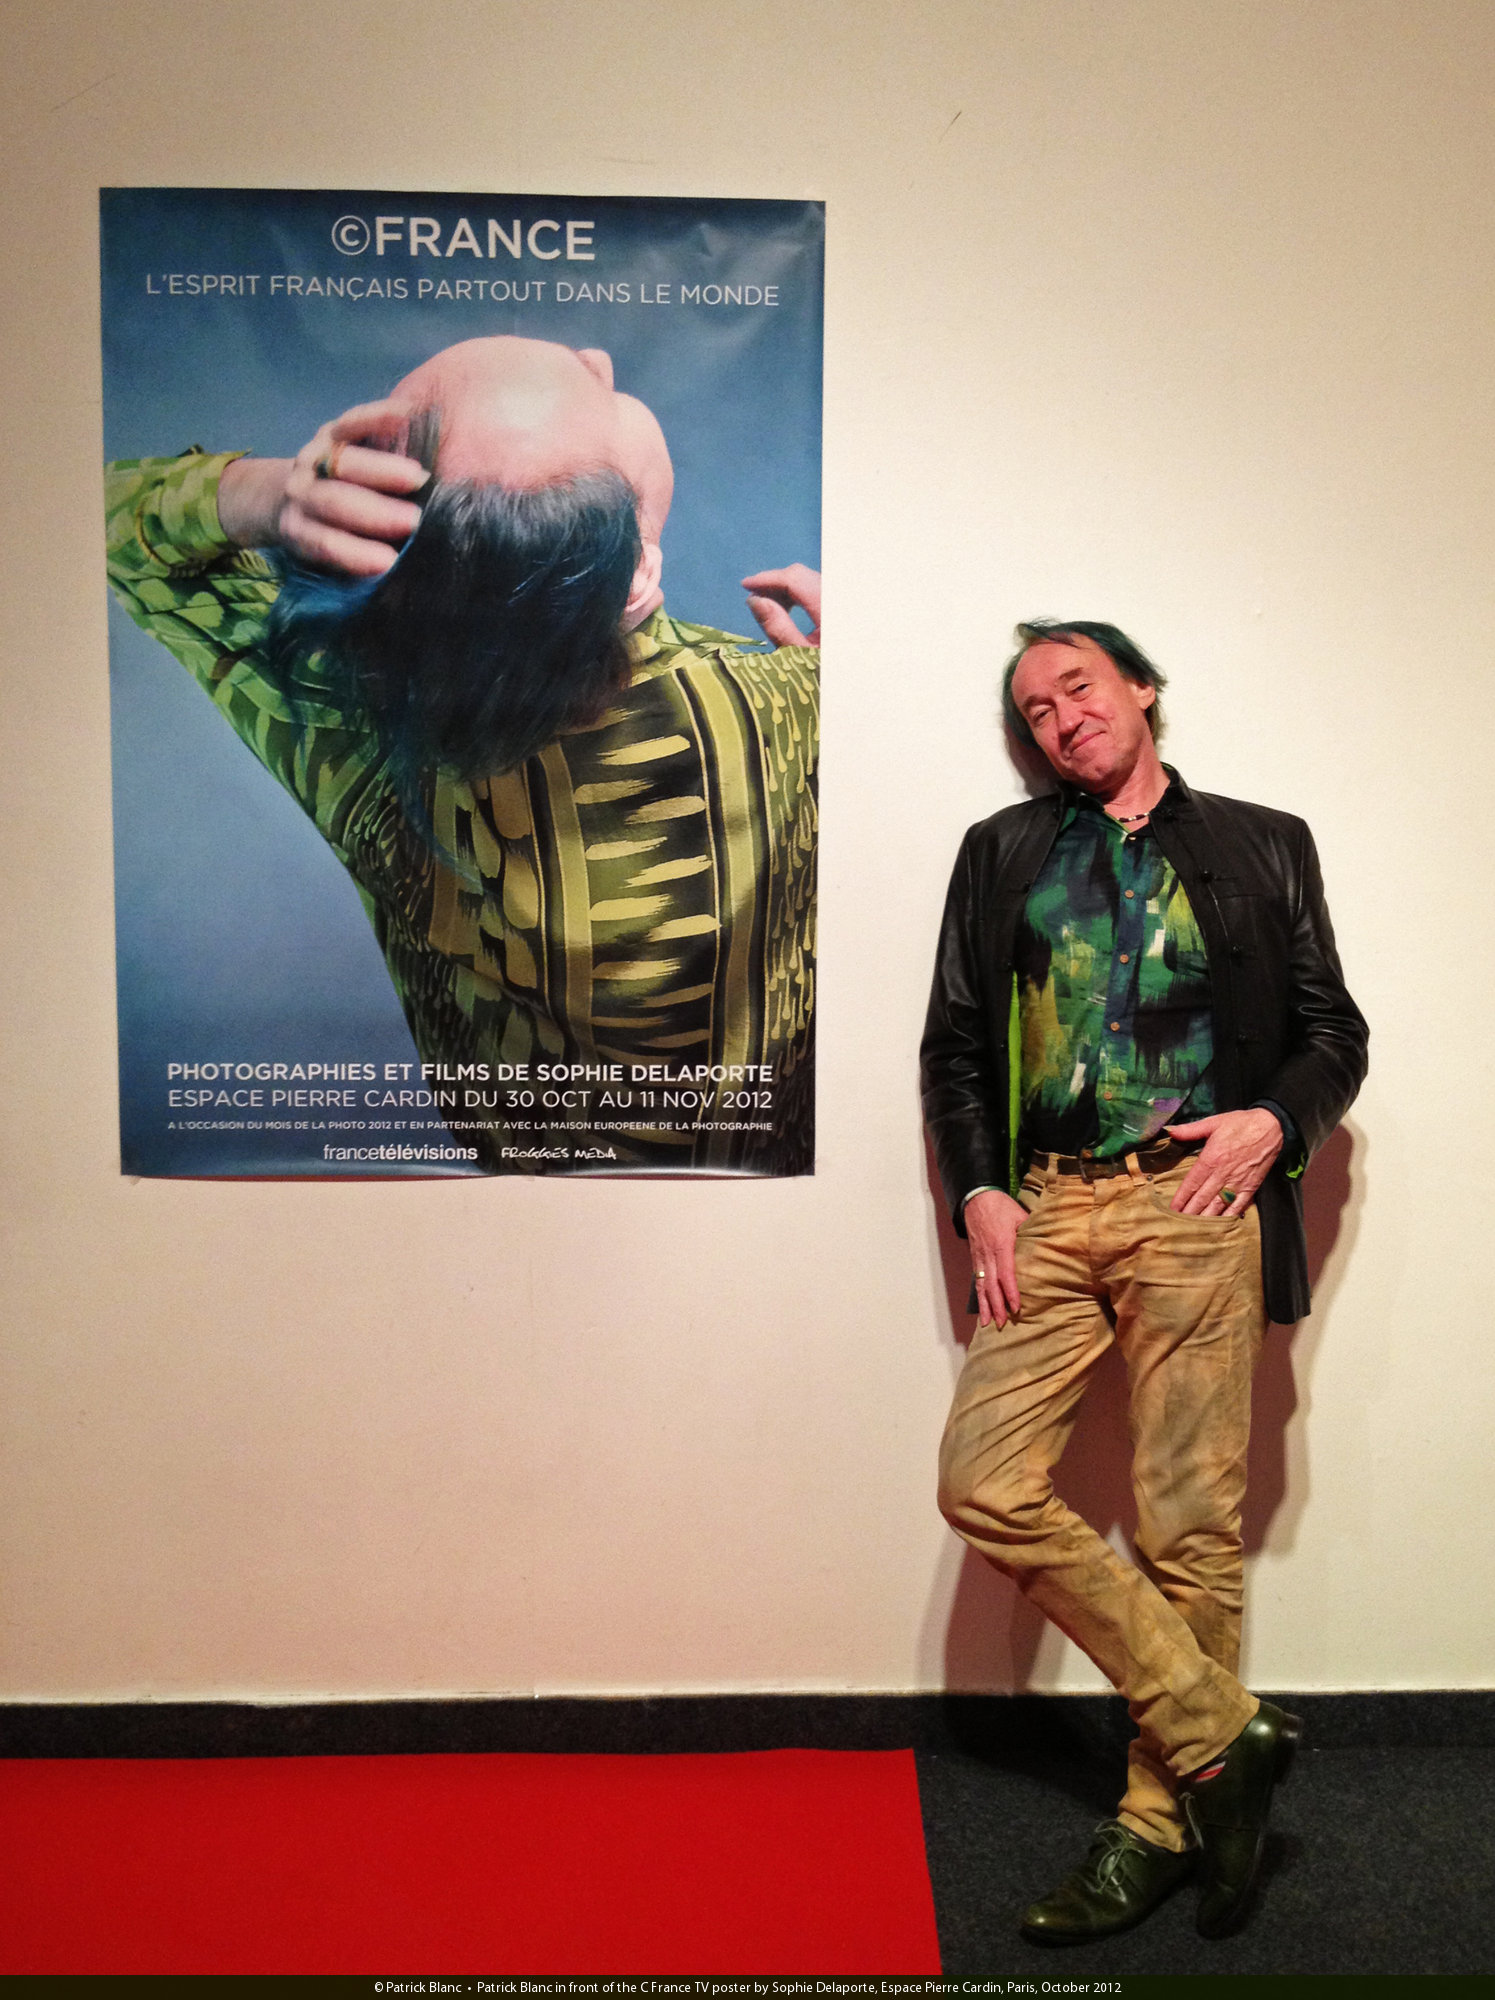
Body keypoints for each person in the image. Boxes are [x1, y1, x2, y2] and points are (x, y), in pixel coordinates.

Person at [106, 337, 818, 1174]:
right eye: (597, 396)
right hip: (779, 1210)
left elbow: (108, 519)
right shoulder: (798, 706)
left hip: (507, 1204)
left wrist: (270, 496)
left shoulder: (348, 724)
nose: (596, 359)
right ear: (637, 573)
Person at [921, 620, 1367, 1943]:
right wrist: (979, 1189)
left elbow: (1331, 1030)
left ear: (1139, 690)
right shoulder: (1000, 853)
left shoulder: (1261, 842)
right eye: (1033, 709)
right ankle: (1223, 1732)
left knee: (1186, 1525)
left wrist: (1273, 1122)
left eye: (1077, 686)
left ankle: (1158, 1821)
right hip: (1049, 1203)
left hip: (1192, 1203)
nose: (1059, 716)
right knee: (982, 1483)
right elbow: (956, 1041)